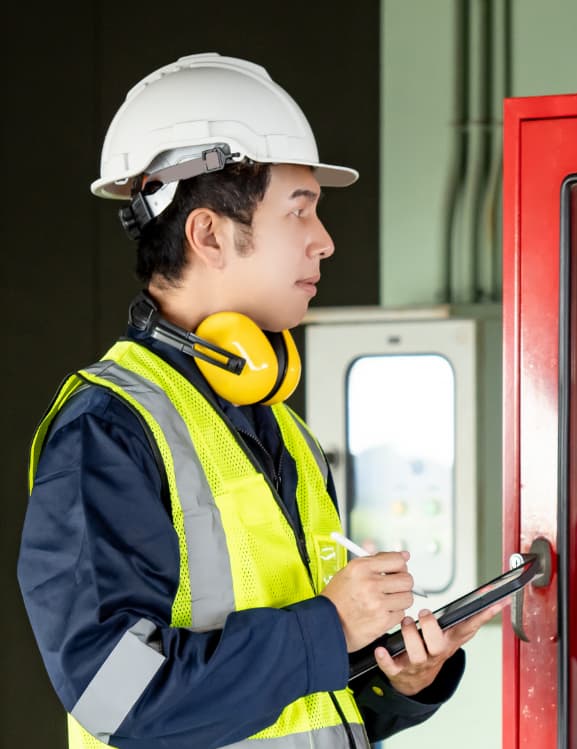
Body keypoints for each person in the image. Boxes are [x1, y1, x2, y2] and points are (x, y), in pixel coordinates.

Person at [17, 52, 501, 749]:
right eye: (299, 212)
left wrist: (400, 680)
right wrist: (328, 627)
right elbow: (116, 695)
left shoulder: (287, 434)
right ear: (209, 234)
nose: (325, 242)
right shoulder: (107, 431)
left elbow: (306, 703)